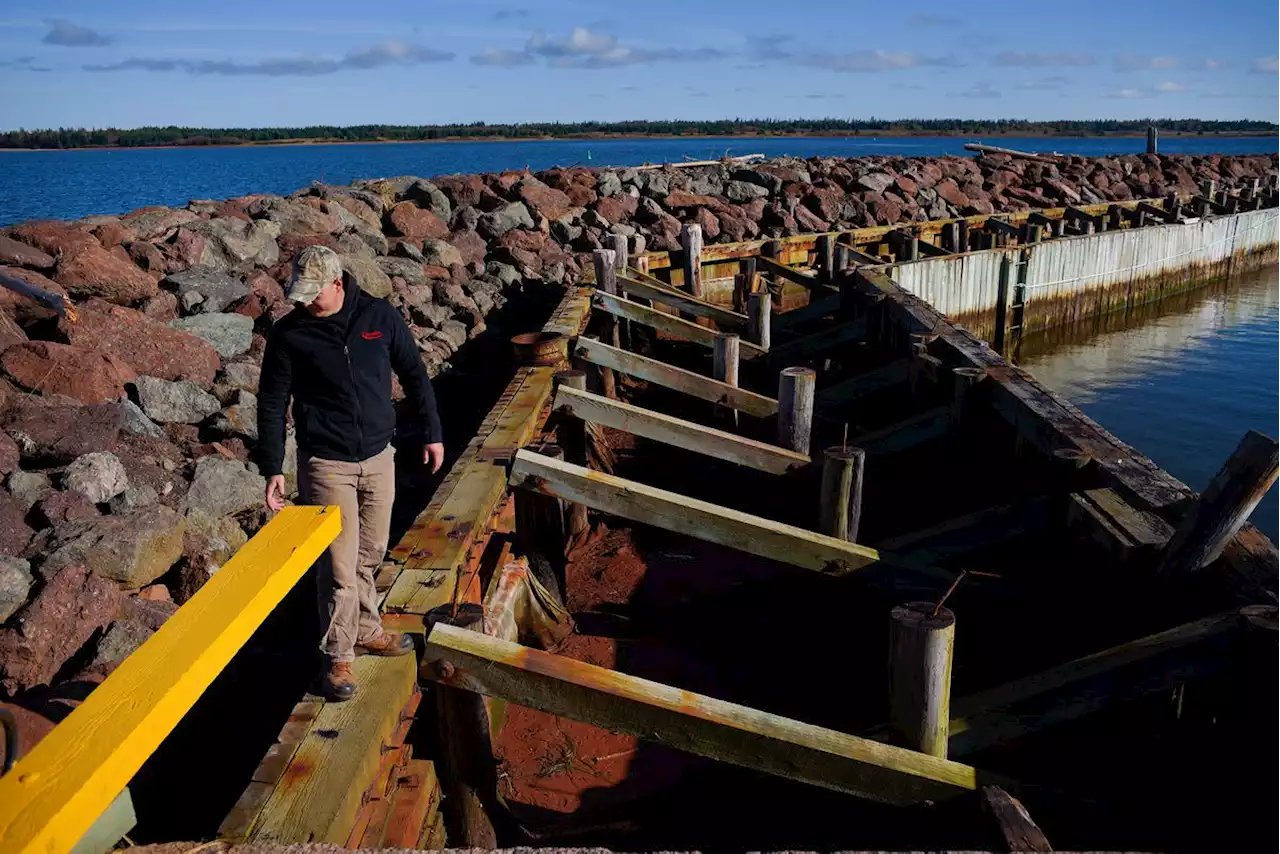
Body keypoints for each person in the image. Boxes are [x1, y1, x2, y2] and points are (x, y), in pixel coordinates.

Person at [257, 245, 444, 701]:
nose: (302, 303)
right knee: (339, 565)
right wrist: (273, 466)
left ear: (337, 283)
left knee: (371, 552)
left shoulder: (378, 317)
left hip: (380, 455)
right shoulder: (289, 335)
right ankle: (337, 656)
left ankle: (366, 629)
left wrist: (432, 432)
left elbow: (415, 374)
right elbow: (272, 402)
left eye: (311, 294)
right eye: (297, 295)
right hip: (325, 463)